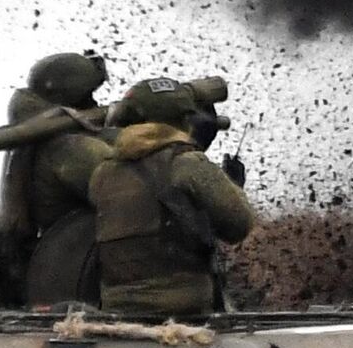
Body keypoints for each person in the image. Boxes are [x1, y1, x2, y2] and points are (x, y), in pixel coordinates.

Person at [90, 77, 255, 316]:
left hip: (117, 308)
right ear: (185, 117)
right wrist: (232, 184)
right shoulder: (188, 164)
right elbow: (239, 226)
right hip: (183, 310)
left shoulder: (102, 173)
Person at [0, 51, 114, 306]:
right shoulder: (69, 147)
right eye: (90, 96)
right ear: (76, 98)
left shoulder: (31, 139)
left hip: (48, 272)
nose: (97, 104)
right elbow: (134, 186)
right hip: (75, 276)